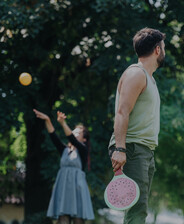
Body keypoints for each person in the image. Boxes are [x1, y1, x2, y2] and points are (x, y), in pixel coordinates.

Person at [108, 27, 166, 224]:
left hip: (144, 149)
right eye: (164, 47)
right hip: (131, 148)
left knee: (138, 209)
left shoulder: (150, 78)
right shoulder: (136, 74)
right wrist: (120, 148)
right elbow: (122, 112)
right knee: (137, 211)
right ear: (158, 49)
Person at [33, 109, 94, 224]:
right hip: (64, 186)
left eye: (78, 133)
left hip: (77, 188)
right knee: (63, 218)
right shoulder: (64, 150)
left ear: (84, 139)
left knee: (78, 219)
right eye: (73, 131)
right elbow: (53, 135)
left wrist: (63, 123)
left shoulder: (83, 150)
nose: (74, 134)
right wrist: (48, 120)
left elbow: (71, 138)